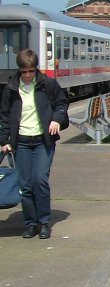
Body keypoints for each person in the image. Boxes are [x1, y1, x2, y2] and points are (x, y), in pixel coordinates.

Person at [0, 49, 69, 239]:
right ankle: (31, 223)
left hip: (42, 141)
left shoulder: (47, 84)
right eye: (24, 72)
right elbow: (4, 115)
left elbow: (62, 103)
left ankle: (44, 222)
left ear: (36, 69)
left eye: (31, 71)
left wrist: (56, 119)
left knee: (40, 180)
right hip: (20, 142)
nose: (28, 75)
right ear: (19, 70)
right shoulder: (11, 88)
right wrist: (4, 140)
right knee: (26, 184)